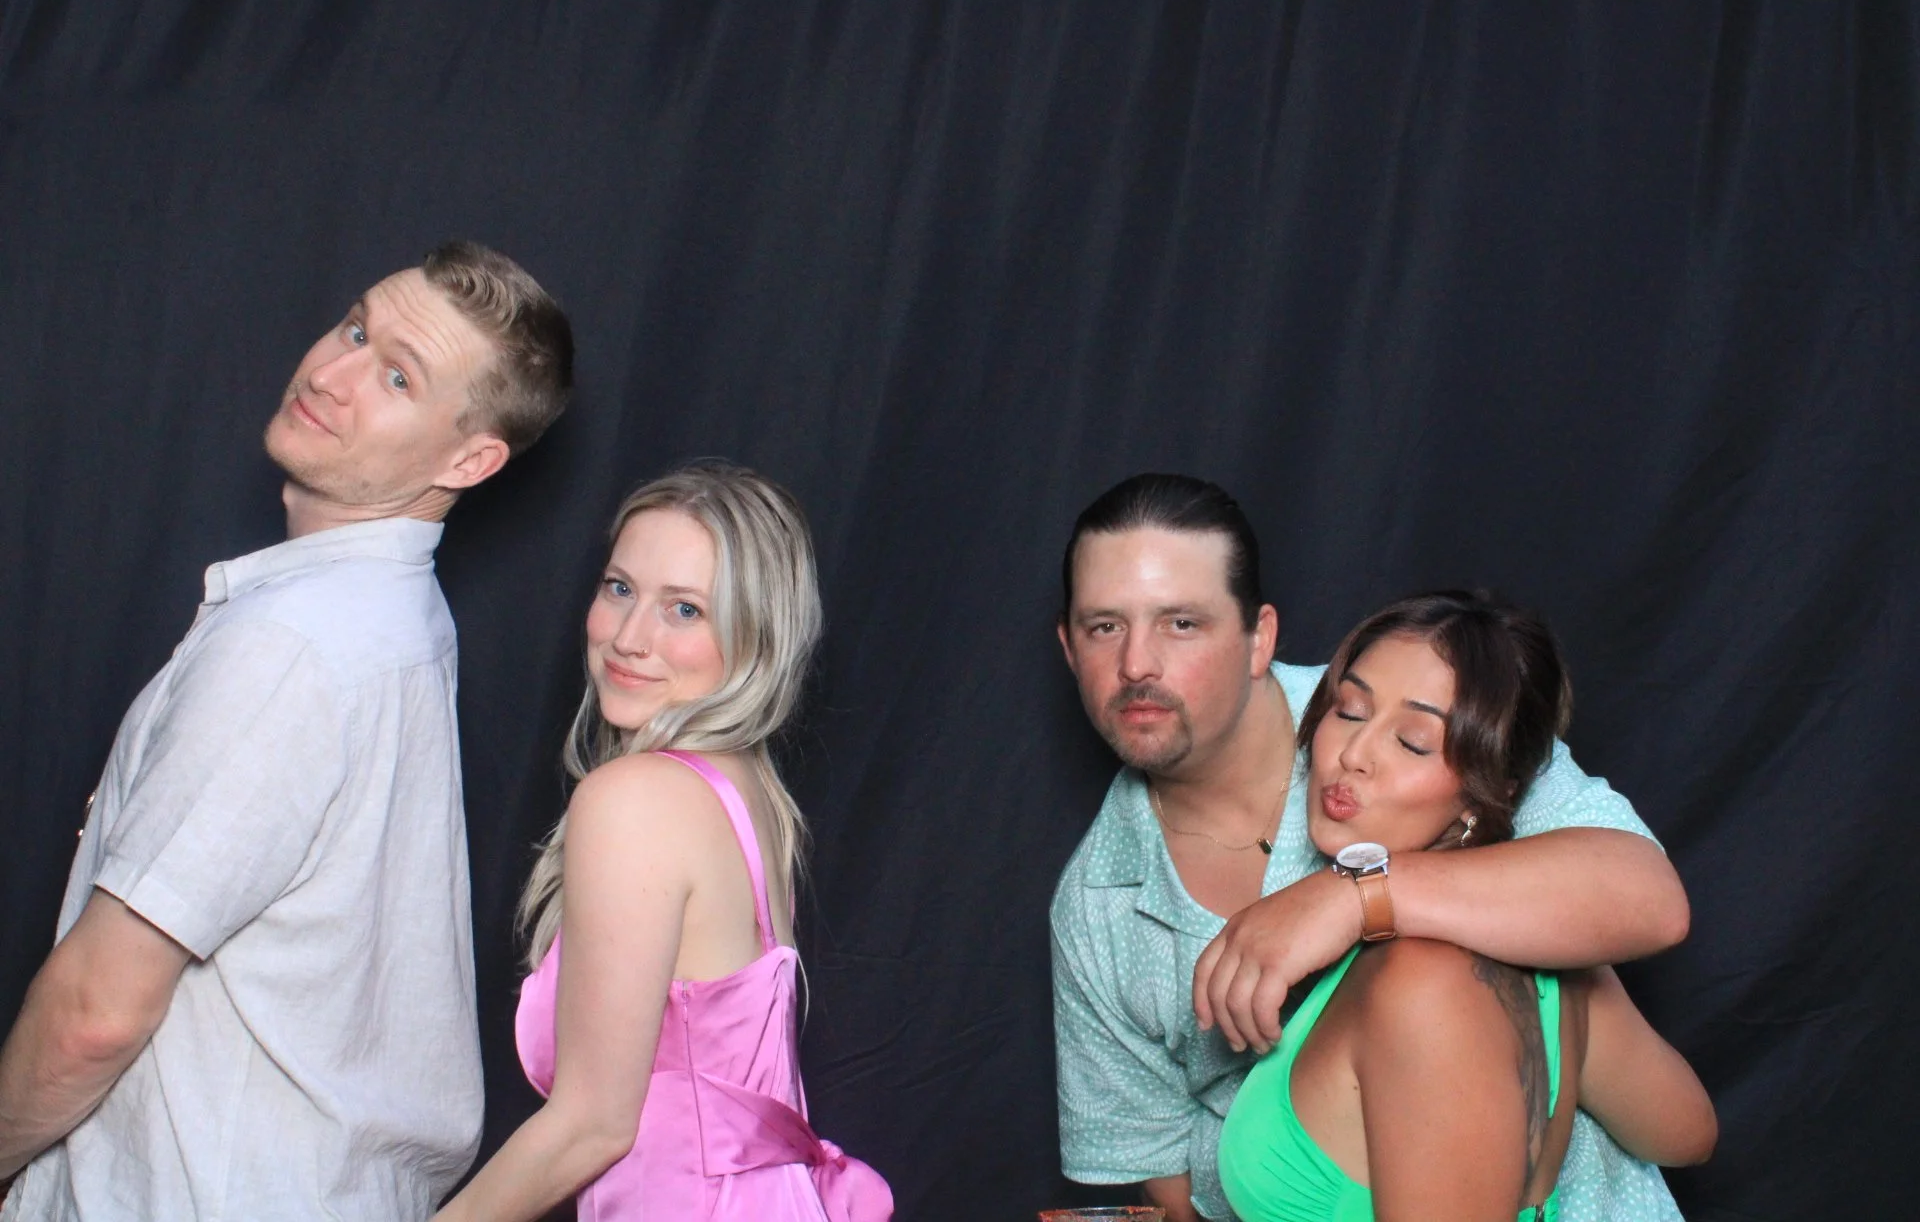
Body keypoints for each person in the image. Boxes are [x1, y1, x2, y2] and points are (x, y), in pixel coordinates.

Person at [0, 242, 574, 1221]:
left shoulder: (294, 647)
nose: (331, 373)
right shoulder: (395, 616)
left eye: (398, 376)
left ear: (469, 458)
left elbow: (98, 1011)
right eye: (355, 328)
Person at [1050, 473, 1694, 1222]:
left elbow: (1647, 898)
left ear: (1259, 637)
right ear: (1069, 648)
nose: (1137, 665)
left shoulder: (1432, 709)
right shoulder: (1095, 908)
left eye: (1181, 623)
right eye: (1104, 627)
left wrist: (1354, 897)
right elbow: (1169, 1190)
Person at [434, 464, 890, 1222]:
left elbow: (593, 1124)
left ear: (755, 638)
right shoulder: (747, 790)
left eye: (684, 610)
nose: (630, 637)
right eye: (619, 588)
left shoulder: (636, 798)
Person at [1215, 591, 1716, 1221]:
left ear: (1492, 790)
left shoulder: (1422, 978)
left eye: (1415, 742)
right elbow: (1683, 1130)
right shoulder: (1549, 951)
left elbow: (1685, 1134)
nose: (1354, 753)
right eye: (1348, 710)